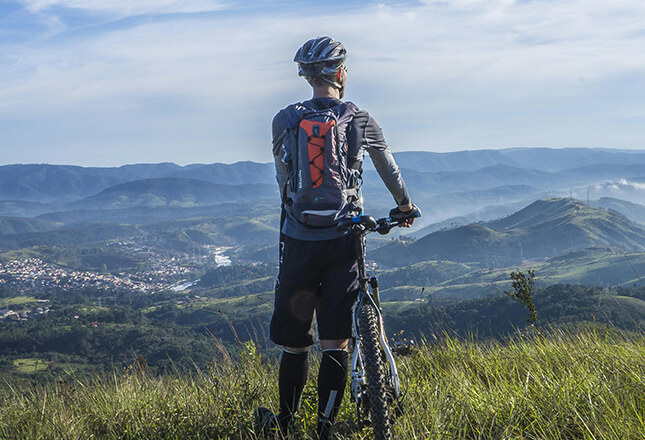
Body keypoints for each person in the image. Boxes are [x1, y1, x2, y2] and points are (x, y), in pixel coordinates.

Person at [255, 36, 417, 439]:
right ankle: (325, 428)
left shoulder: (284, 120)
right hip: (344, 239)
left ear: (307, 76)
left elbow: (283, 179)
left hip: (298, 240)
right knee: (335, 341)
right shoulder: (360, 119)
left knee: (295, 344)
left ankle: (285, 425)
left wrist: (298, 217)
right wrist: (404, 206)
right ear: (341, 73)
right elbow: (389, 169)